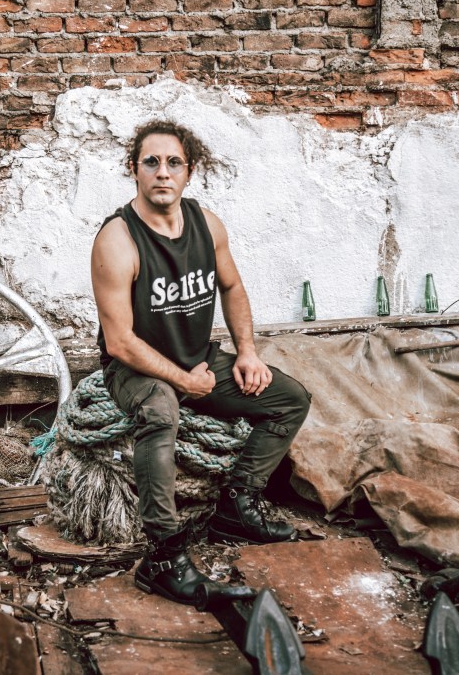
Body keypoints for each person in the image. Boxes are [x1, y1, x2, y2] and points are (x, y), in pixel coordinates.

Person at [91, 120, 312, 605]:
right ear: (134, 170)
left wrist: (247, 352)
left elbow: (231, 287)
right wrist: (182, 381)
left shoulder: (207, 225)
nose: (162, 172)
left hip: (199, 361)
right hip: (135, 370)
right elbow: (120, 342)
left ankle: (237, 506)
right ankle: (164, 556)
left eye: (174, 163)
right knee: (159, 411)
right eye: (151, 162)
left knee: (289, 399)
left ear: (189, 172)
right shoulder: (117, 239)